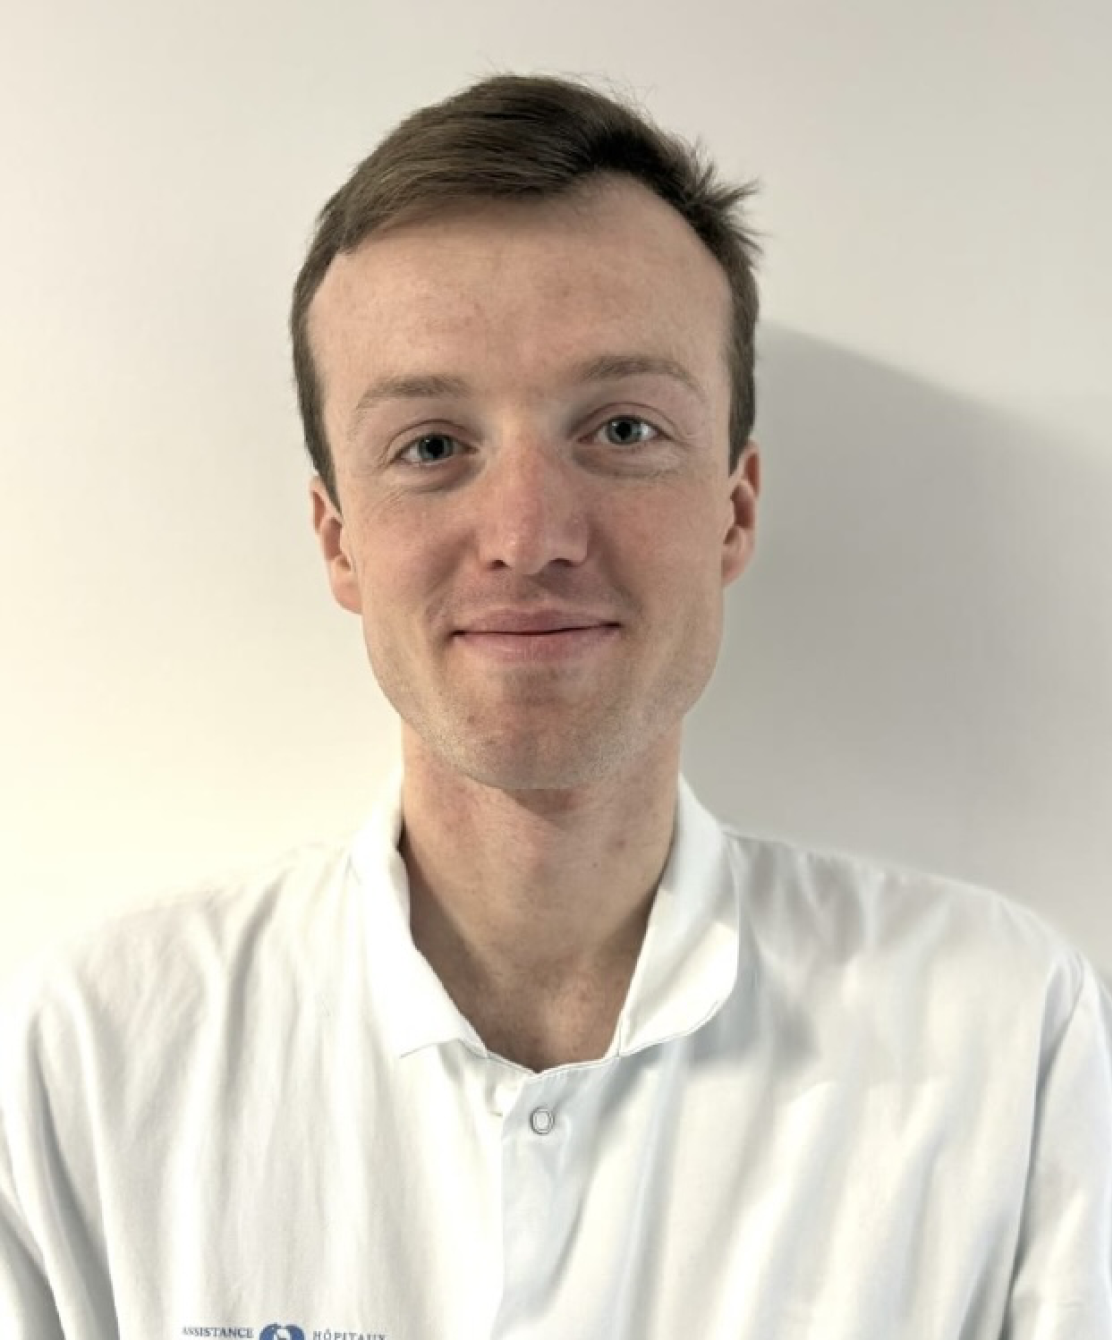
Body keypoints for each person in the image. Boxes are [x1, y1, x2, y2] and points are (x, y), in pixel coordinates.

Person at [1, 72, 1109, 1340]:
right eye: (431, 445)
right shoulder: (99, 1058)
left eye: (622, 429)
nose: (527, 535)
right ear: (338, 538)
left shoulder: (999, 1037)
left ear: (734, 507)